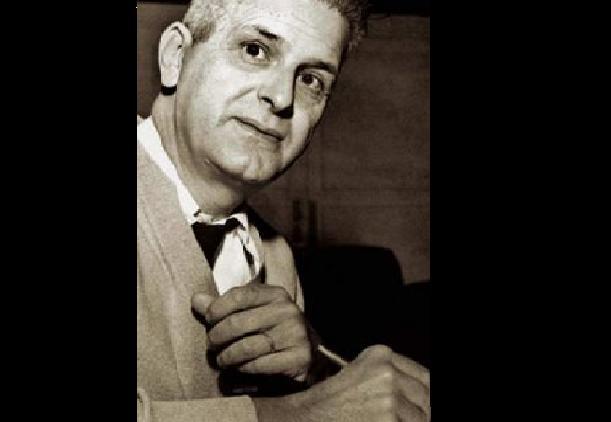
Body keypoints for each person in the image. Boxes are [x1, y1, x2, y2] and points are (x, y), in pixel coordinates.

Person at [137, 0, 430, 421]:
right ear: (175, 56)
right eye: (255, 50)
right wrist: (300, 414)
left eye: (311, 79)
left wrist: (314, 368)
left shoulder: (274, 258)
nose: (281, 97)